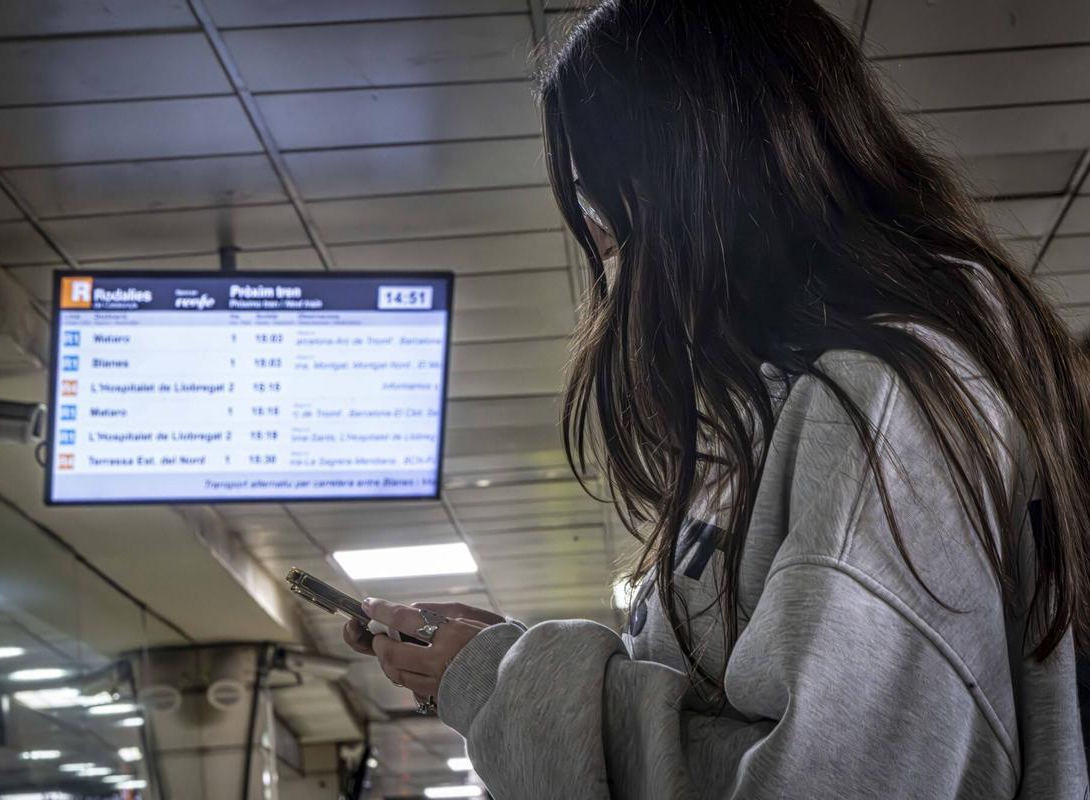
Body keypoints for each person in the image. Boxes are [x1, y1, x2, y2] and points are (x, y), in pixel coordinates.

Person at [343, 1, 1090, 796]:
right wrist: (509, 670)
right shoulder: (793, 401)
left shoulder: (880, 397)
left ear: (690, 182)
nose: (605, 249)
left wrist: (506, 682)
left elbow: (819, 780)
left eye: (606, 212)